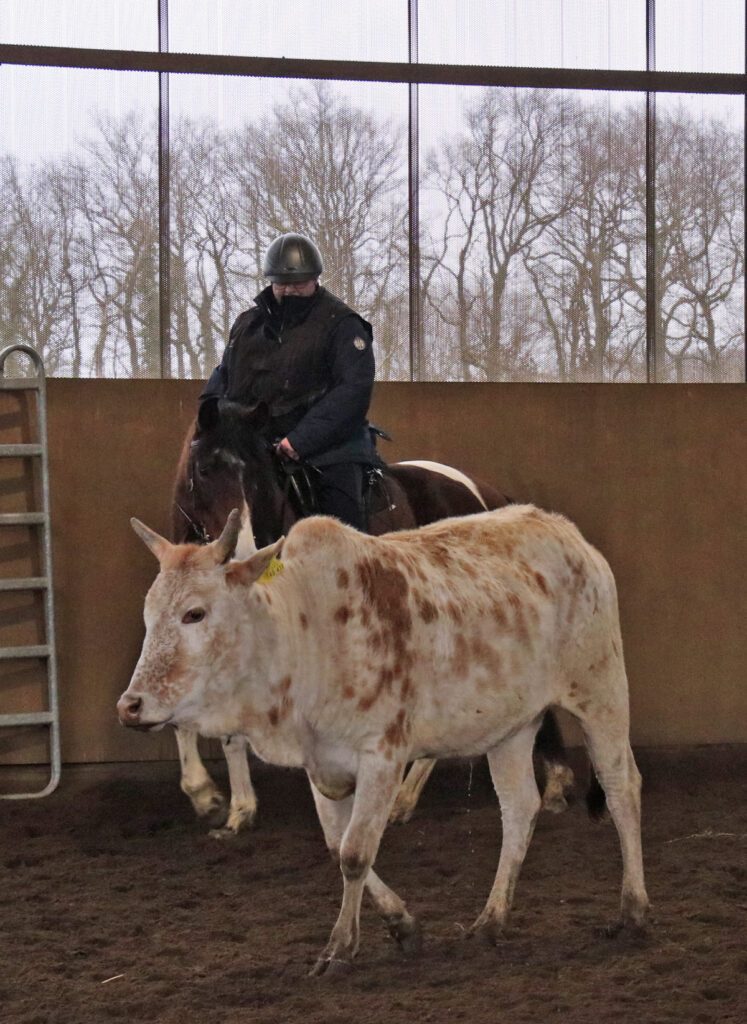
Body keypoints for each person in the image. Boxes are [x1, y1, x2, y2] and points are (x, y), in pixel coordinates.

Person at [200, 232, 376, 530]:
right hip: (257, 444)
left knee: (341, 522)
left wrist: (300, 440)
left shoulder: (343, 325)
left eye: (300, 283)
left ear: (315, 279)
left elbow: (353, 390)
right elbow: (224, 373)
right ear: (271, 281)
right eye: (282, 283)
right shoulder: (247, 324)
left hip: (329, 448)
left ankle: (346, 570)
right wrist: (211, 412)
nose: (291, 290)